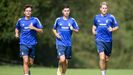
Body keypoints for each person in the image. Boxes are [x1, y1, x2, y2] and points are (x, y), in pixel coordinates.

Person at [15, 4, 43, 75]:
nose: (28, 12)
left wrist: (34, 28)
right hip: (23, 43)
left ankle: (28, 70)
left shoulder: (35, 20)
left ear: (31, 12)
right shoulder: (20, 20)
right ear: (24, 12)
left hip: (32, 43)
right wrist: (16, 34)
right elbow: (17, 28)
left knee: (30, 63)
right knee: (25, 61)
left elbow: (41, 31)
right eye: (27, 11)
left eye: (29, 11)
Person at [92, 1, 119, 75]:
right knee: (102, 58)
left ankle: (105, 72)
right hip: (99, 40)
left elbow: (117, 27)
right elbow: (94, 27)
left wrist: (112, 29)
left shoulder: (111, 17)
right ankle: (103, 74)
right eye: (103, 8)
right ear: (100, 9)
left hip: (108, 41)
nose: (104, 9)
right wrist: (93, 31)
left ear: (107, 9)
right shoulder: (96, 17)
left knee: (106, 59)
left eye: (105, 8)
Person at [52, 5, 79, 75]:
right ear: (62, 11)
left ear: (69, 12)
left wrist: (73, 29)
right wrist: (56, 34)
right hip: (60, 43)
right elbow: (53, 29)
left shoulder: (72, 20)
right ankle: (59, 68)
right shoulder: (58, 20)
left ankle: (63, 73)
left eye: (68, 11)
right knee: (62, 59)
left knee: (66, 62)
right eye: (65, 11)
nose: (66, 12)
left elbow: (77, 30)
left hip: (68, 44)